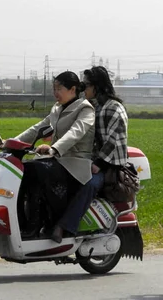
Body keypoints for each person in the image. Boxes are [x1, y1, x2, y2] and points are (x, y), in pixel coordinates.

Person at [15, 71, 95, 242]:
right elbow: (38, 128)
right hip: (58, 160)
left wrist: (54, 149)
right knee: (22, 170)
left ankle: (37, 225)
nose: (55, 93)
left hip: (76, 164)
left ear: (72, 89)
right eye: (54, 89)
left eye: (59, 89)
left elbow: (76, 133)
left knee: (34, 170)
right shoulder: (57, 109)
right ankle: (24, 224)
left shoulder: (85, 109)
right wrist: (13, 142)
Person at [52, 66, 128, 241]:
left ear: (97, 86)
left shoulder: (114, 108)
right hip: (91, 160)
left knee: (89, 185)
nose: (81, 88)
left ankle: (64, 227)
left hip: (110, 165)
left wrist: (99, 164)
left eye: (85, 85)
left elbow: (114, 140)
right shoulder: (93, 106)